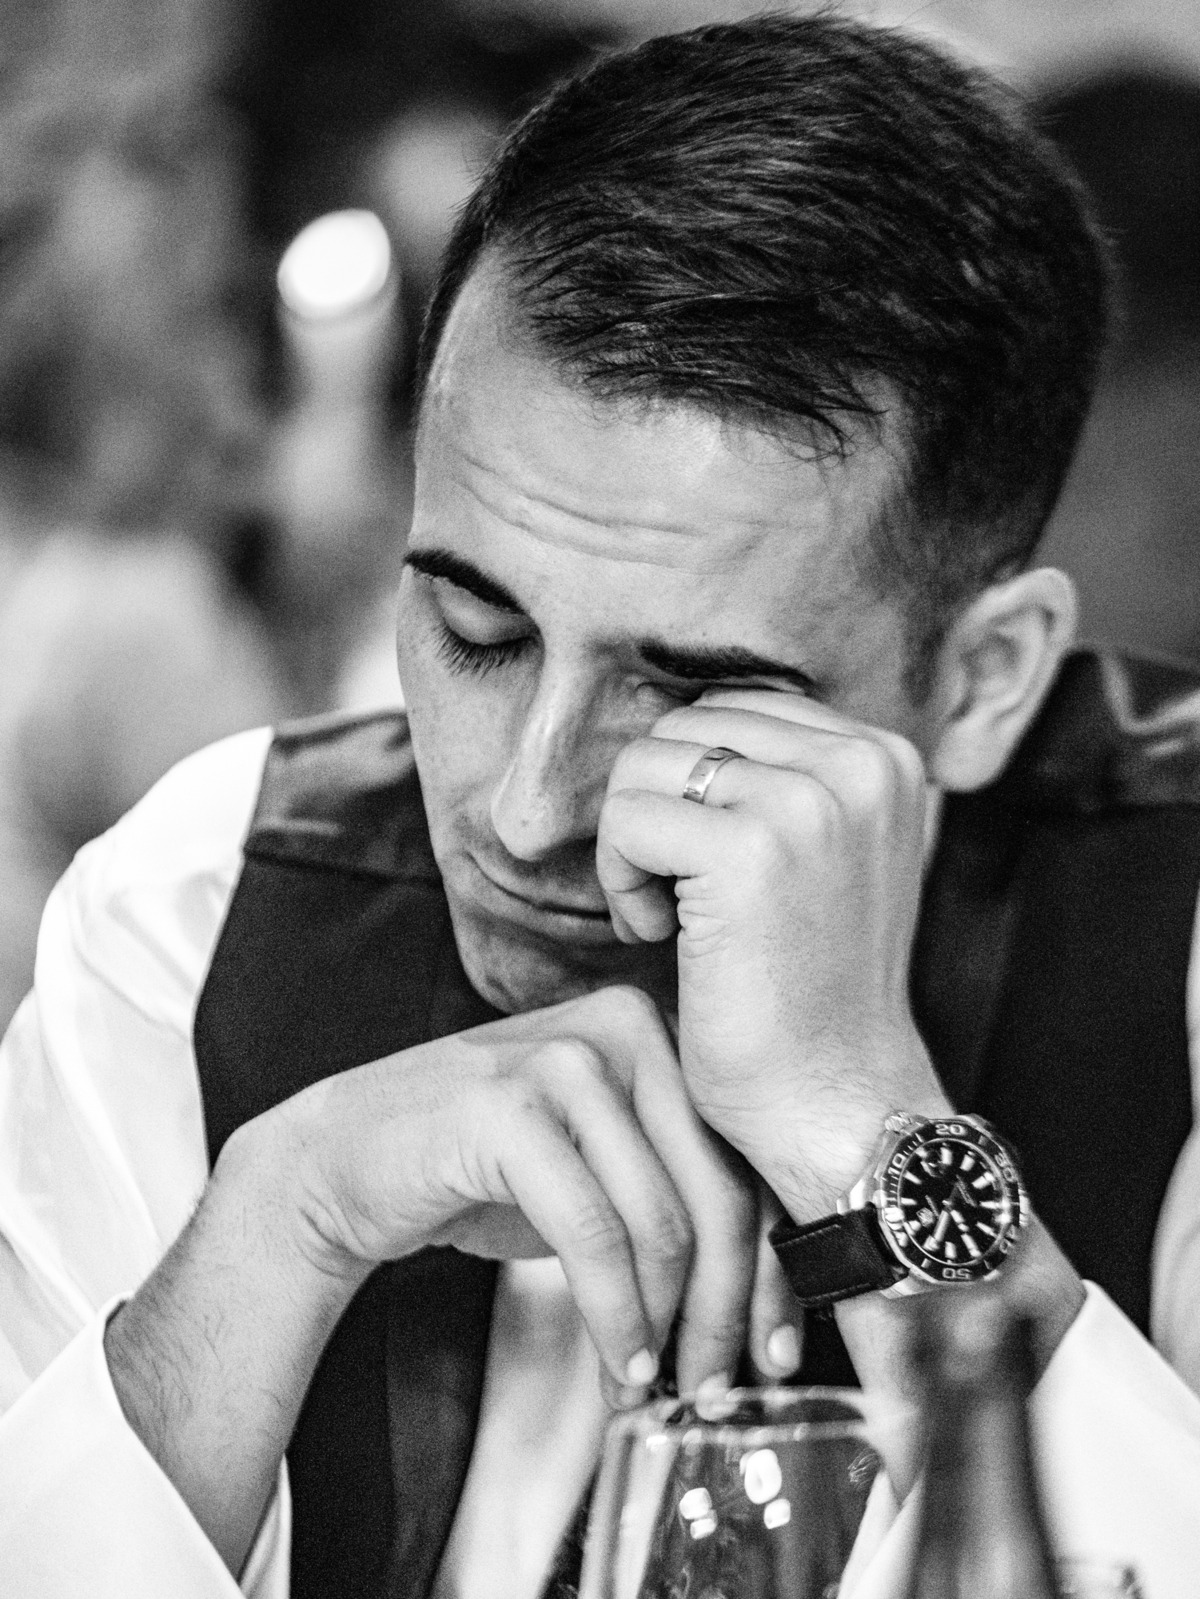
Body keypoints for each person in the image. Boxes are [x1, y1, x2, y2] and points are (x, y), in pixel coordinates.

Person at [3, 16, 1200, 1599]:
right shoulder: (203, 914)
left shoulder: (1172, 944)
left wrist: (866, 1136)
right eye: (475, 631)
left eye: (695, 693)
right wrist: (273, 1234)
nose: (525, 808)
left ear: (982, 682)